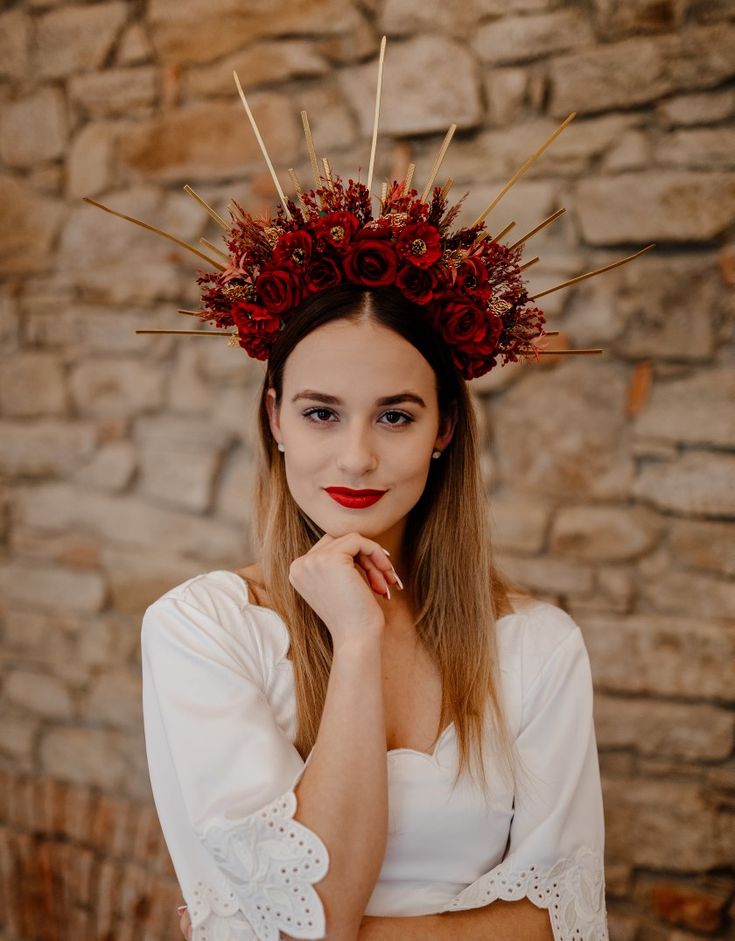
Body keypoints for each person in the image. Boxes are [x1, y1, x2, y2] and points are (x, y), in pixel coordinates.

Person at [141, 283, 609, 941]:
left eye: (394, 416)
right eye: (320, 413)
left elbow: (557, 919)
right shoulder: (201, 627)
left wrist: (280, 923)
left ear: (443, 427)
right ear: (274, 417)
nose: (356, 457)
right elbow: (310, 917)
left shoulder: (537, 646)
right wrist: (357, 637)